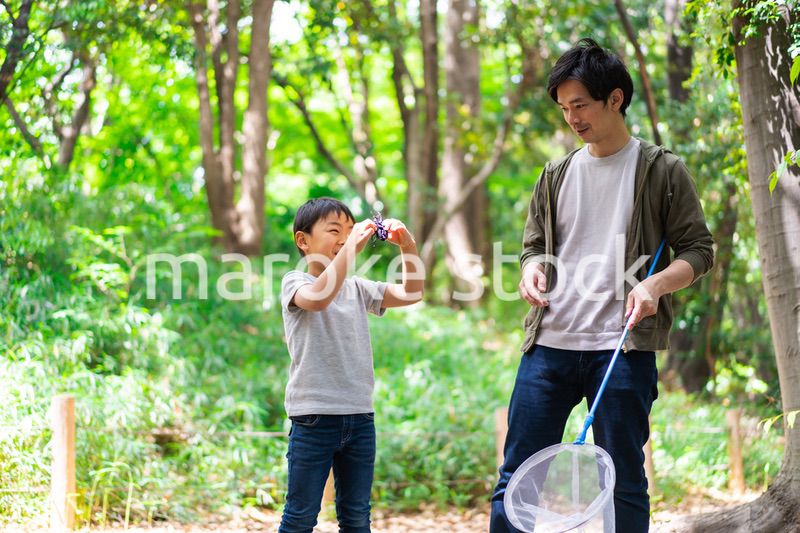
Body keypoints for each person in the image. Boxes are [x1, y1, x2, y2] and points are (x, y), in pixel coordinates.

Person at [490, 38, 714, 532]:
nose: (572, 118)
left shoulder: (662, 170)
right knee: (516, 478)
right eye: (564, 108)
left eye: (581, 105)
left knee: (624, 482)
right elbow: (533, 249)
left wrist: (654, 286)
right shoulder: (555, 174)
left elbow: (699, 251)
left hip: (622, 348)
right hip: (548, 347)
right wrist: (532, 269)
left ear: (615, 98)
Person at [278, 197, 423, 533]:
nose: (344, 238)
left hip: (359, 417)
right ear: (303, 240)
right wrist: (351, 251)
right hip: (313, 418)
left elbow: (413, 293)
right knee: (300, 516)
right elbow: (318, 299)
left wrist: (408, 246)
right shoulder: (296, 282)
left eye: (350, 230)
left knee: (357, 517)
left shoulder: (358, 288)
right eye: (334, 231)